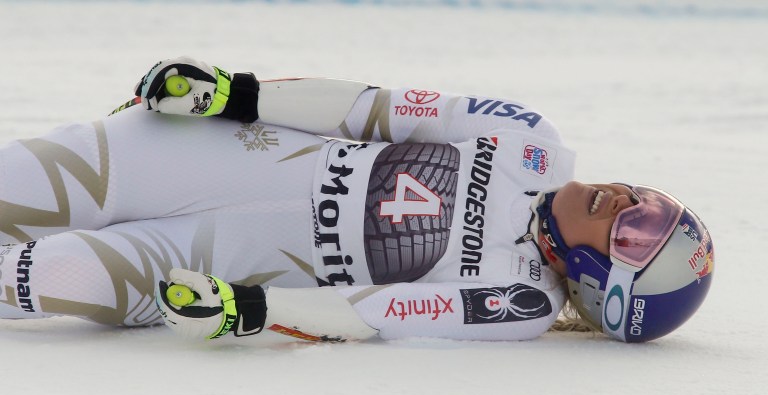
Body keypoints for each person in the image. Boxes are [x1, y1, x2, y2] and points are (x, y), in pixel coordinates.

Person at [0, 57, 714, 343]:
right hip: (194, 156)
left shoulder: (517, 303)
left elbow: (374, 313)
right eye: (648, 199)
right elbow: (371, 109)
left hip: (197, 258)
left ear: (601, 282)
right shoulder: (530, 137)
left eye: (636, 229)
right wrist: (234, 93)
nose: (626, 197)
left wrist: (251, 308)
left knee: (48, 274)